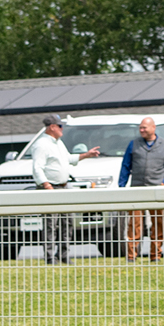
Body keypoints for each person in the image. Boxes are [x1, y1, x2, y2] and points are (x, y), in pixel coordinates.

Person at [32, 113, 100, 265]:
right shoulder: (41, 144)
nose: (63, 129)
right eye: (60, 126)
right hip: (50, 188)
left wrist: (86, 155)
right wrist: (46, 185)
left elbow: (68, 159)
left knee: (67, 222)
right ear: (52, 127)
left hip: (64, 186)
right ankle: (50, 257)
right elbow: (37, 168)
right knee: (51, 224)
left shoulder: (58, 143)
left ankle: (63, 254)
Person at [117, 116, 164, 263]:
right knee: (134, 224)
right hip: (137, 190)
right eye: (141, 128)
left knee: (157, 223)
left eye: (144, 127)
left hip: (156, 191)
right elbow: (125, 166)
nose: (142, 130)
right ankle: (131, 255)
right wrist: (122, 186)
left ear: (153, 127)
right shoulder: (133, 144)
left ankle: (155, 254)